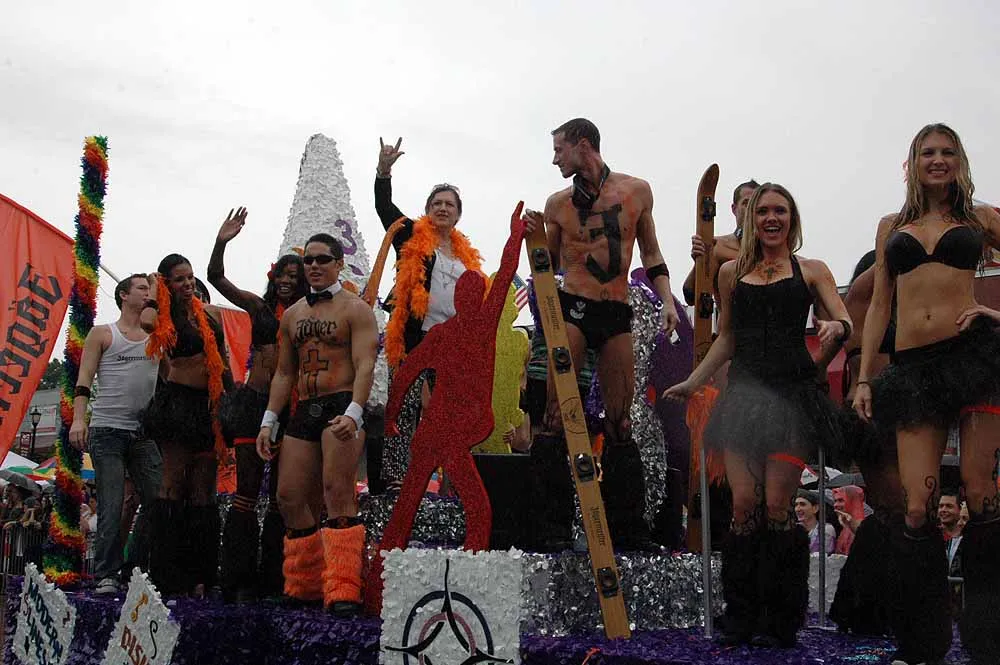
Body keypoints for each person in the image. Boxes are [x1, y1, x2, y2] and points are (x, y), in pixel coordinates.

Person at [665, 183, 850, 647]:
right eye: (763, 210)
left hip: (791, 400)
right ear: (750, 219)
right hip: (743, 399)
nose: (771, 218)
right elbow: (727, 337)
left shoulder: (812, 270)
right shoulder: (730, 272)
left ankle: (780, 620)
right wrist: (694, 381)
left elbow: (844, 320)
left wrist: (833, 330)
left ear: (792, 218)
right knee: (743, 506)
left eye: (779, 210)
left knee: (778, 507)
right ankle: (741, 615)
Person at [854, 123, 1000, 665]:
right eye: (928, 152)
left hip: (974, 357)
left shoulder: (980, 218)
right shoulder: (892, 227)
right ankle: (923, 646)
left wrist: (994, 312)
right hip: (913, 369)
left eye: (947, 151)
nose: (937, 160)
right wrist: (864, 377)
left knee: (982, 496)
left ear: (960, 160)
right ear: (913, 163)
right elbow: (879, 305)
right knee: (917, 507)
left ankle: (989, 642)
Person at [524, 117, 679, 553]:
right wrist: (531, 239)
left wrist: (668, 300)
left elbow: (651, 252)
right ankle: (551, 528)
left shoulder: (636, 191)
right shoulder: (558, 203)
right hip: (574, 306)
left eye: (559, 149)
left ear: (583, 144)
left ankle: (627, 530)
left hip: (615, 309)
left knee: (620, 421)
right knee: (555, 415)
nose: (555, 159)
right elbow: (547, 266)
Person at [367, 204, 525, 612]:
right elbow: (406, 373)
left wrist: (392, 415)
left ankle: (390, 584)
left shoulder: (452, 331)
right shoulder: (474, 326)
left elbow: (406, 376)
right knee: (471, 506)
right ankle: (393, 586)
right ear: (462, 298)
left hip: (442, 432)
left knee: (424, 506)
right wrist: (515, 238)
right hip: (445, 432)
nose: (469, 297)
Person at [256, 233, 377, 617]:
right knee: (288, 497)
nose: (314, 266)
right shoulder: (292, 315)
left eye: (323, 259)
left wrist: (355, 412)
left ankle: (344, 588)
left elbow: (366, 364)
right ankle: (306, 585)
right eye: (308, 260)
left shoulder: (356, 309)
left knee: (337, 492)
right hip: (305, 409)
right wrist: (268, 421)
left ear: (339, 264)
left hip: (342, 404)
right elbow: (283, 373)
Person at [208, 207, 309, 604]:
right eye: (281, 275)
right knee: (246, 493)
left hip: (291, 409)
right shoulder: (258, 309)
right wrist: (222, 241)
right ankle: (238, 581)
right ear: (272, 277)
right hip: (253, 405)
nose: (286, 281)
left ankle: (275, 580)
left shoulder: (312, 314)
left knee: (283, 497)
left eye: (294, 276)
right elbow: (216, 278)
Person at [374, 137, 486, 484]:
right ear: (427, 209)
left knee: (450, 414)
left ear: (458, 213)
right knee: (404, 405)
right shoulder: (411, 234)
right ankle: (395, 481)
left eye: (449, 204)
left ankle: (452, 483)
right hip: (414, 337)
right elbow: (384, 208)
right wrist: (383, 172)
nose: (442, 208)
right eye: (436, 203)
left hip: (452, 343)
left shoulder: (466, 256)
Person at [141, 255, 232, 597]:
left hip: (208, 406)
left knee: (203, 490)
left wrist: (230, 401)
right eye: (180, 279)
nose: (188, 283)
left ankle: (202, 573)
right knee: (172, 486)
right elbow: (147, 323)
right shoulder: (164, 315)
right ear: (168, 283)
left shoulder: (208, 314)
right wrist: (155, 290)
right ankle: (167, 574)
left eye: (190, 277)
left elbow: (222, 360)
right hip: (178, 404)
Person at [68, 274, 162, 595]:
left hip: (143, 432)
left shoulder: (157, 337)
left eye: (149, 289)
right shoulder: (103, 333)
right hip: (107, 429)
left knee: (158, 499)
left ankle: (137, 566)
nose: (147, 293)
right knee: (110, 503)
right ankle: (106, 573)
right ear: (123, 295)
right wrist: (78, 420)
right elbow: (84, 379)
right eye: (141, 288)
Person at [684, 179, 759, 305]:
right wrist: (700, 262)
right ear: (734, 209)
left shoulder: (775, 249)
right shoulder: (718, 246)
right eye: (746, 203)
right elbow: (691, 296)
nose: (751, 209)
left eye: (757, 204)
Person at [939, 491, 964, 619]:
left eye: (949, 506)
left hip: (962, 607)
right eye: (941, 506)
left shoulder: (970, 540)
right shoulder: (932, 538)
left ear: (960, 510)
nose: (943, 510)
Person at [795, 490, 835, 554]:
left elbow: (826, 554)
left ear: (815, 508)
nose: (797, 509)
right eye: (796, 505)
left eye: (802, 504)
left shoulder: (826, 529)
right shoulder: (794, 528)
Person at [832, 485, 866, 554]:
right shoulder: (845, 526)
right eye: (835, 501)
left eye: (840, 500)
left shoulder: (865, 526)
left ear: (852, 501)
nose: (835, 505)